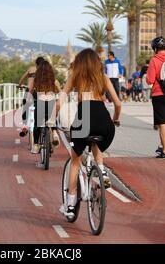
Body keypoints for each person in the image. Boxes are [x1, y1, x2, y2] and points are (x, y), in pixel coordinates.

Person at [57, 48, 121, 218]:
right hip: (104, 120)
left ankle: (70, 206)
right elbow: (118, 103)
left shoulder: (75, 77)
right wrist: (115, 120)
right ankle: (102, 172)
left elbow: (59, 101)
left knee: (75, 162)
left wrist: (52, 119)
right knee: (97, 144)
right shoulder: (104, 78)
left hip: (84, 117)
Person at [28, 60, 61, 154]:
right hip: (51, 104)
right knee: (53, 119)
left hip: (41, 104)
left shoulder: (36, 81)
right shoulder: (55, 81)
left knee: (37, 124)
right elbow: (61, 93)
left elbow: (30, 92)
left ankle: (36, 145)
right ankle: (54, 133)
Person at [19, 57, 45, 137]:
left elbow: (22, 78)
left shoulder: (31, 69)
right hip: (40, 92)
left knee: (26, 108)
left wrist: (20, 85)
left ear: (36, 64)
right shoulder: (45, 71)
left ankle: (25, 126)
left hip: (29, 91)